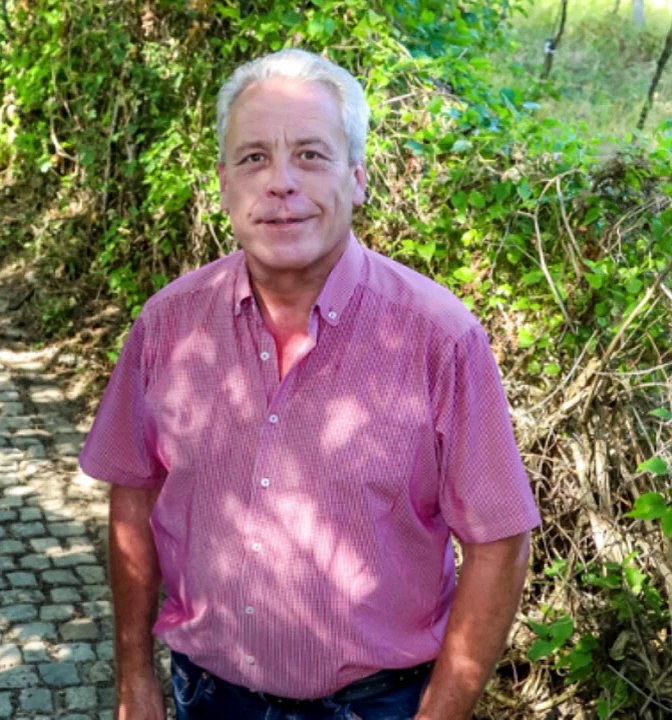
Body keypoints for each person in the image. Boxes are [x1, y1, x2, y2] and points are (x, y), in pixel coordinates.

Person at [80, 48, 541, 720]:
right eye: (254, 157)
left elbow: (498, 541)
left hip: (378, 705)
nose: (280, 182)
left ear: (357, 178)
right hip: (208, 697)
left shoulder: (440, 340)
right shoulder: (167, 326)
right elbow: (133, 496)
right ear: (223, 184)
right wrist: (135, 680)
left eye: (311, 155)